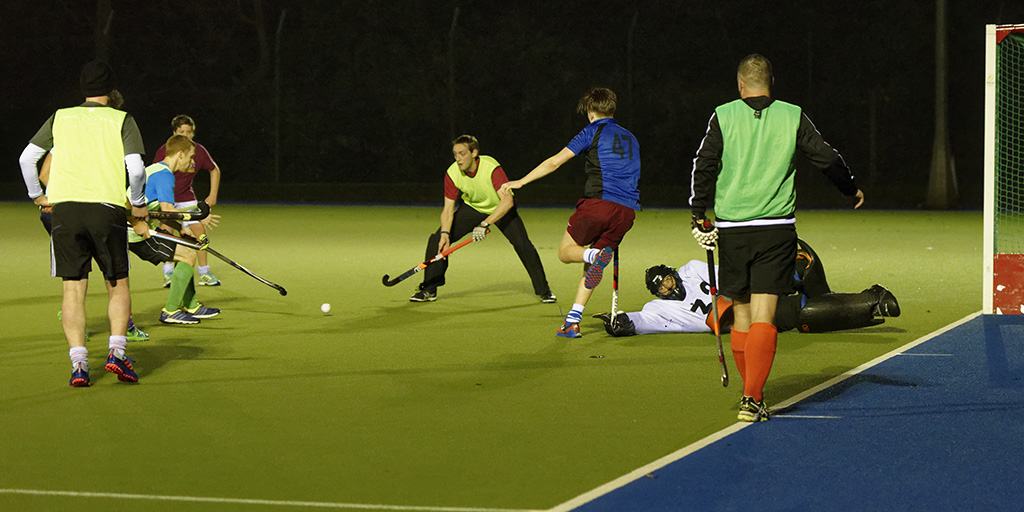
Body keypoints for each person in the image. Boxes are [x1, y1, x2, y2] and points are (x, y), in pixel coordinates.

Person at [689, 54, 864, 422]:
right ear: (772, 81)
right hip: (775, 228)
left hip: (733, 230)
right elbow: (826, 157)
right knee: (765, 313)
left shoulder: (723, 114)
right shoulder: (792, 114)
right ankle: (752, 398)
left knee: (741, 313)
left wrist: (697, 213)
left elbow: (704, 163)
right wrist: (849, 189)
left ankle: (750, 393)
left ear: (740, 85)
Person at [19, 60, 148, 387]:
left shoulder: (60, 117)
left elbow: (26, 158)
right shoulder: (122, 119)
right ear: (111, 89)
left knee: (73, 289)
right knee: (117, 284)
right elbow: (135, 169)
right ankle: (117, 356)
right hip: (107, 209)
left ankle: (79, 364)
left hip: (65, 210)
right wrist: (138, 204)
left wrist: (38, 195)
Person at [501, 87, 641, 338]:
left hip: (599, 203)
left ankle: (596, 254)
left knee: (566, 253)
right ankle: (572, 320)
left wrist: (521, 181)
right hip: (627, 212)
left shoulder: (592, 130)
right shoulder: (631, 137)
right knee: (591, 263)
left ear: (590, 110)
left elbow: (555, 161)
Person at [597, 239, 900, 336]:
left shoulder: (692, 268)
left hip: (749, 296)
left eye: (666, 280)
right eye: (660, 288)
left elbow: (731, 275)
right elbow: (639, 321)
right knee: (803, 315)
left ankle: (797, 276)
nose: (666, 287)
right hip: (745, 321)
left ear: (673, 274)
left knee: (800, 263)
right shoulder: (657, 309)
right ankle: (870, 301)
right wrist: (621, 322)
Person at [411, 135, 555, 303]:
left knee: (522, 244)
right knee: (437, 240)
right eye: (455, 154)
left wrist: (485, 224)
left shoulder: (490, 167)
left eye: (462, 154)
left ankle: (544, 291)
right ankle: (429, 289)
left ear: (474, 153)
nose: (458, 159)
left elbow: (507, 201)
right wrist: (444, 233)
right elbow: (448, 209)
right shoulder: (452, 173)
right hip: (473, 208)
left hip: (500, 208)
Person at [38, 151, 149, 342]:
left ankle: (77, 332)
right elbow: (114, 187)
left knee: (74, 282)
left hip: (58, 213)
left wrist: (59, 196)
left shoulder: (64, 135)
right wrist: (134, 217)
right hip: (92, 212)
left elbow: (41, 173)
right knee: (115, 279)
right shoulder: (101, 140)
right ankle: (124, 332)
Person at [131, 134, 221, 325]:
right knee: (187, 256)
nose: (190, 163)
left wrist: (183, 230)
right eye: (189, 158)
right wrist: (190, 222)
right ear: (180, 155)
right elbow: (168, 211)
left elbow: (165, 214)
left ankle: (192, 305)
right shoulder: (165, 175)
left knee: (187, 252)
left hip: (136, 226)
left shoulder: (156, 168)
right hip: (133, 232)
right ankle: (170, 311)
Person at [152, 115, 222, 286]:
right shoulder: (165, 151)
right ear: (174, 133)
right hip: (166, 198)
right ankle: (168, 271)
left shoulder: (198, 151)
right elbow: (156, 175)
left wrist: (212, 195)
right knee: (167, 230)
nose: (186, 136)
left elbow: (214, 170)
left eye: (189, 132)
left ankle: (204, 272)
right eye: (181, 132)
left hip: (186, 197)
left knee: (199, 231)